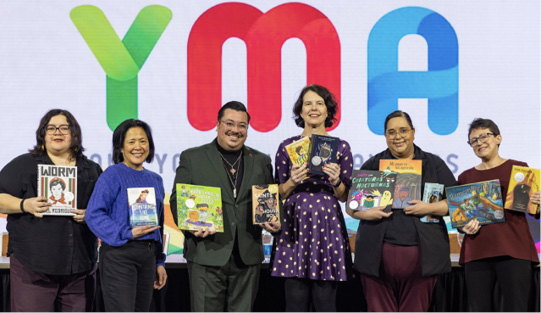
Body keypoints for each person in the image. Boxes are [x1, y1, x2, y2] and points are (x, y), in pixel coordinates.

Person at [169, 101, 281, 311]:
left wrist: (275, 222)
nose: (235, 130)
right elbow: (177, 200)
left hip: (247, 256)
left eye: (242, 126)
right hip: (206, 253)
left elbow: (269, 199)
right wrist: (189, 226)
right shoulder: (193, 157)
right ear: (218, 124)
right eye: (229, 123)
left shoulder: (261, 160)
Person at [347, 110, 457, 312]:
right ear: (385, 136)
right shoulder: (373, 165)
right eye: (391, 132)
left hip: (422, 256)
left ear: (413, 132)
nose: (398, 136)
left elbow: (456, 203)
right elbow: (352, 207)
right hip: (377, 256)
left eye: (403, 130)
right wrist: (365, 213)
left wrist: (428, 208)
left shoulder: (434, 164)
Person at [0, 109, 102, 311]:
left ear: (74, 134)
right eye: (51, 128)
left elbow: (105, 208)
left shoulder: (91, 169)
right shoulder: (24, 165)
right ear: (43, 134)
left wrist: (91, 215)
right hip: (33, 267)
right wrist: (24, 204)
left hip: (80, 268)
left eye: (65, 128)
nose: (58, 132)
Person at [271, 84, 353, 311]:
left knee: (326, 303)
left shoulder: (341, 147)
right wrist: (292, 182)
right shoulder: (286, 146)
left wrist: (336, 181)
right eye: (308, 103)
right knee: (294, 302)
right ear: (300, 111)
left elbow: (345, 196)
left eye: (320, 103)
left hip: (327, 225)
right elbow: (278, 192)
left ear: (328, 111)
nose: (314, 108)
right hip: (294, 224)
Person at [458, 118, 540, 311]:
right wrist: (463, 226)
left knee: (516, 307)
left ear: (498, 138)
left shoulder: (519, 168)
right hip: (477, 253)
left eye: (484, 136)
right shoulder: (465, 177)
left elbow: (533, 209)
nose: (479, 142)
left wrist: (538, 202)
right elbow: (460, 218)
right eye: (473, 140)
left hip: (514, 250)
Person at [85, 119, 167, 311]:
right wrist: (127, 233)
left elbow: (159, 224)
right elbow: (94, 214)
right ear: (120, 147)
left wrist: (159, 261)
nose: (138, 147)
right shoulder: (112, 174)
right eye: (131, 142)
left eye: (143, 141)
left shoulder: (156, 179)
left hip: (148, 256)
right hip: (119, 254)